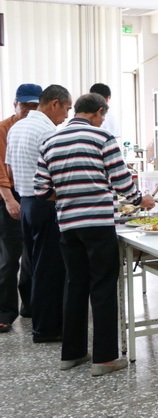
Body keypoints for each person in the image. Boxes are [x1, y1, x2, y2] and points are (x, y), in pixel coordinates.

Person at [34, 93, 155, 376]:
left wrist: (68, 197)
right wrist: (141, 200)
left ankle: (72, 354)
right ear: (98, 112)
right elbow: (122, 181)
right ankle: (104, 358)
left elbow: (40, 189)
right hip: (99, 224)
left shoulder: (50, 141)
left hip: (67, 225)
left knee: (75, 285)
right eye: (102, 116)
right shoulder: (103, 139)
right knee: (102, 287)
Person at [5, 84, 72, 342]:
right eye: (66, 109)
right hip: (45, 204)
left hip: (26, 203)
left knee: (33, 265)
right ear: (54, 103)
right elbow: (55, 173)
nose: (66, 116)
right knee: (50, 269)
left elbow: (9, 170)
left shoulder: (17, 126)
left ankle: (35, 315)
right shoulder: (46, 130)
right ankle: (47, 329)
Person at [0, 83, 40, 334]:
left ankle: (30, 304)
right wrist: (8, 199)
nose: (28, 111)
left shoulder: (40, 127)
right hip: (9, 195)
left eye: (34, 107)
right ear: (15, 104)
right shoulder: (3, 128)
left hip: (32, 194)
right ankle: (5, 311)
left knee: (32, 253)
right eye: (25, 106)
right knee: (9, 256)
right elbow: (1, 169)